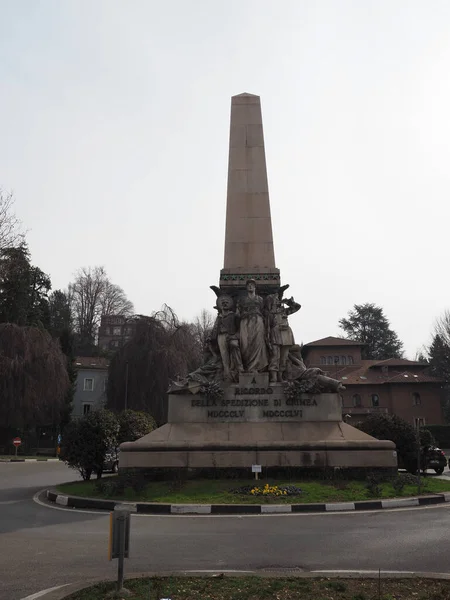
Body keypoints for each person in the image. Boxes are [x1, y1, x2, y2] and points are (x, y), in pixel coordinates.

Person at [266, 290, 301, 382]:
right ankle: (273, 376)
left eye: (278, 299)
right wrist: (268, 339)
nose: (277, 301)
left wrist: (289, 302)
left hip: (286, 335)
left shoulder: (284, 311)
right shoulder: (270, 314)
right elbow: (267, 327)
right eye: (275, 299)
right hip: (275, 335)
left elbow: (297, 307)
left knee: (284, 357)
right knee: (275, 356)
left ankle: (280, 376)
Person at [237, 279, 268, 372]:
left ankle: (257, 367)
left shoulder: (260, 299)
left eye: (252, 285)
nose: (250, 286)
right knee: (245, 343)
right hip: (245, 322)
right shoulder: (242, 300)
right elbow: (237, 313)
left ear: (255, 287)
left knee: (258, 342)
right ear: (246, 287)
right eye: (248, 285)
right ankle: (247, 366)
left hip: (258, 321)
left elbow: (264, 311)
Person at [210, 294, 243, 381]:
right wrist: (211, 337)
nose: (225, 304)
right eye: (223, 303)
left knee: (234, 352)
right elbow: (215, 328)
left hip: (231, 336)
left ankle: (236, 372)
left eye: (227, 303)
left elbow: (238, 325)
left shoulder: (233, 315)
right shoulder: (219, 317)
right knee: (224, 356)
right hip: (221, 336)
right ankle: (227, 376)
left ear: (230, 305)